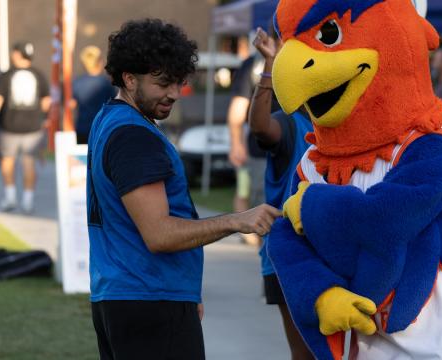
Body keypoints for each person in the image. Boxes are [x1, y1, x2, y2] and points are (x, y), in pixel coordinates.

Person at [87, 19, 281, 360]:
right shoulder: (134, 136)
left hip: (133, 297)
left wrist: (186, 289)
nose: (174, 93)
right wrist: (238, 220)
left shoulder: (110, 119)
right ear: (129, 79)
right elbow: (159, 234)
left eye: (179, 82)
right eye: (163, 83)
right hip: (148, 301)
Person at [248, 27, 314, 360]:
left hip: (333, 254)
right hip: (289, 259)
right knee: (306, 355)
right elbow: (260, 127)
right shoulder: (289, 124)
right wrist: (270, 66)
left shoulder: (338, 128)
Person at [0, 42, 50, 213]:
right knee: (29, 163)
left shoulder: (7, 75)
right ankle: (28, 200)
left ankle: (10, 197)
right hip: (33, 127)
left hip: (9, 126)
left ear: (17, 54)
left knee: (7, 161)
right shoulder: (39, 75)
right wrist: (41, 118)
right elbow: (46, 102)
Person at [227, 43, 281, 246]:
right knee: (255, 195)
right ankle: (258, 239)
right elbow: (238, 109)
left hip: (293, 145)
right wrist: (236, 144)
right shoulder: (253, 65)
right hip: (260, 150)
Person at [71, 45, 116, 144]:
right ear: (100, 62)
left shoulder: (77, 82)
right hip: (102, 128)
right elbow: (114, 105)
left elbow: (72, 105)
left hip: (82, 129)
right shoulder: (106, 83)